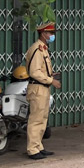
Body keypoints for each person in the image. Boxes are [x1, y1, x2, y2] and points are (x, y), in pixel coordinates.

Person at [23, 22, 61, 159]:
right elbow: (34, 72)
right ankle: (32, 149)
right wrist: (51, 80)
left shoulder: (43, 49)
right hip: (37, 88)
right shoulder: (37, 49)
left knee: (43, 119)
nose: (52, 36)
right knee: (36, 119)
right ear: (43, 34)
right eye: (50, 33)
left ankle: (38, 146)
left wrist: (51, 75)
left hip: (43, 88)